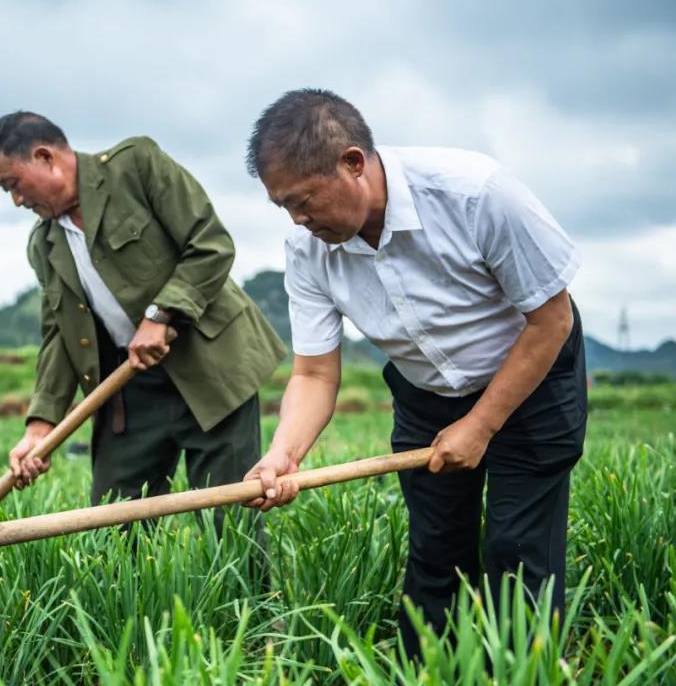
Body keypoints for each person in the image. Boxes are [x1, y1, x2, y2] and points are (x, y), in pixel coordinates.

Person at [241, 89, 587, 656]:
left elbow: (551, 320)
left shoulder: (476, 194)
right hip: (426, 392)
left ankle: (521, 669)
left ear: (353, 163)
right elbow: (314, 374)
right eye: (284, 207)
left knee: (517, 552)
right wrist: (284, 454)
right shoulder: (307, 249)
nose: (299, 221)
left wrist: (481, 424)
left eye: (304, 201)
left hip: (533, 382)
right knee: (436, 550)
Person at [0, 111, 287, 534]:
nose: (15, 200)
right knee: (114, 522)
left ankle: (243, 602)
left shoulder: (135, 166)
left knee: (228, 521)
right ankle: (130, 603)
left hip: (210, 367)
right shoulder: (44, 243)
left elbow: (210, 245)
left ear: (45, 156)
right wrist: (40, 427)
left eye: (12, 184)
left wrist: (160, 315)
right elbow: (58, 335)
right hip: (129, 386)